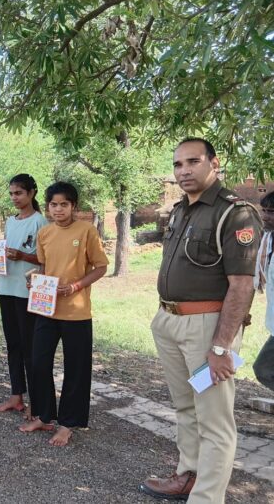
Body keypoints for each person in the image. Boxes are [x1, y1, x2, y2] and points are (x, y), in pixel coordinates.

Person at [139, 138, 262, 503]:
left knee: (214, 421)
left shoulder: (235, 213)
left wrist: (221, 347)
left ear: (214, 163)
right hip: (169, 322)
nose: (184, 171)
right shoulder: (181, 210)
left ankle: (206, 498)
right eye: (178, 164)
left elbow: (242, 285)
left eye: (193, 161)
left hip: (207, 328)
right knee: (186, 408)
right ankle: (187, 476)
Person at [19, 182, 108, 446]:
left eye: (64, 204)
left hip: (77, 313)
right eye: (54, 205)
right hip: (46, 310)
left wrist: (75, 287)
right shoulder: (45, 233)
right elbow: (44, 268)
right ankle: (44, 415)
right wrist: (35, 281)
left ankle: (68, 423)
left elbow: (101, 267)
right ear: (48, 207)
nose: (59, 209)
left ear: (74, 206)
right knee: (38, 362)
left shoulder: (87, 231)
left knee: (76, 369)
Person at [0, 174, 47, 417]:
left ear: (32, 193)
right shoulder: (10, 221)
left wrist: (23, 256)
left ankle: (37, 402)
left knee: (29, 346)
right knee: (12, 344)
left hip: (27, 291)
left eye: (19, 193)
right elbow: (6, 250)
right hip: (6, 287)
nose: (14, 198)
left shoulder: (40, 222)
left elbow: (46, 259)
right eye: (12, 193)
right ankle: (16, 396)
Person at [253, 191, 274, 393]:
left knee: (264, 368)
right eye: (264, 211)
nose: (265, 216)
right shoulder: (268, 240)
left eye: (272, 212)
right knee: (263, 369)